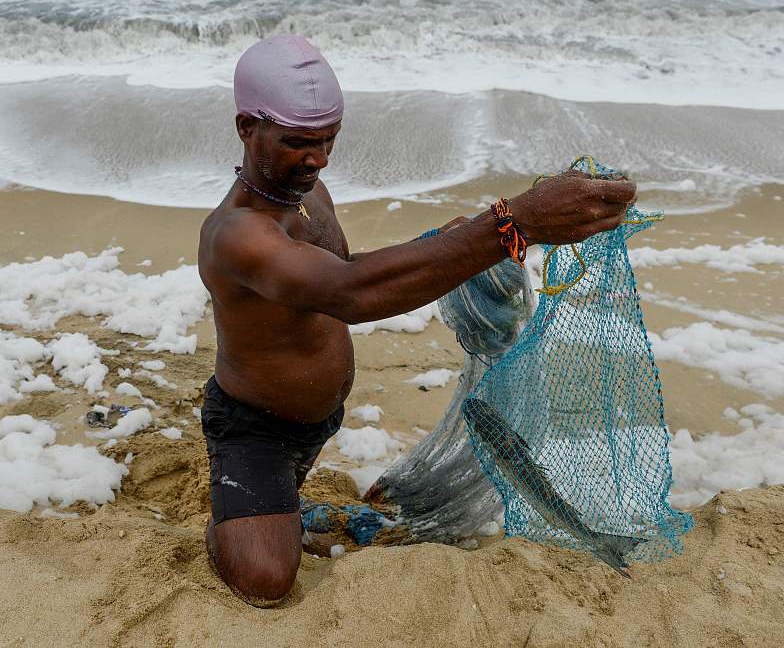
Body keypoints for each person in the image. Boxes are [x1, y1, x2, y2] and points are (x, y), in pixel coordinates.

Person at [197, 34, 636, 605]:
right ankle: (231, 515)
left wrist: (448, 242)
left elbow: (337, 268)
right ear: (246, 127)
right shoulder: (237, 234)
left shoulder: (307, 191)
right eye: (299, 143)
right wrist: (513, 223)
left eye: (329, 140)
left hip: (317, 418)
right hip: (257, 430)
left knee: (284, 517)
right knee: (265, 581)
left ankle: (275, 503)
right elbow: (350, 292)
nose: (319, 159)